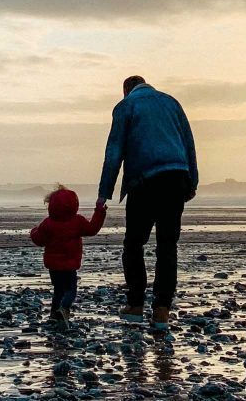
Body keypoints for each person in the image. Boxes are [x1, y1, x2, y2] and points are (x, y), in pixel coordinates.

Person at [97, 75, 198, 330]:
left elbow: (114, 151)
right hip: (176, 176)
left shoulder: (126, 106)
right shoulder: (171, 102)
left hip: (144, 180)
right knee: (167, 246)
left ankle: (135, 305)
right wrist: (192, 181)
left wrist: (104, 193)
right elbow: (188, 143)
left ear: (126, 90)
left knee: (134, 243)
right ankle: (162, 311)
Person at [30, 185, 106, 328]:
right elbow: (92, 229)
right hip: (70, 264)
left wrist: (34, 231)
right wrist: (100, 211)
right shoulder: (77, 221)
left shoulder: (48, 223)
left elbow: (39, 239)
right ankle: (63, 309)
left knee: (58, 290)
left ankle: (54, 314)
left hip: (54, 265)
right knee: (71, 290)